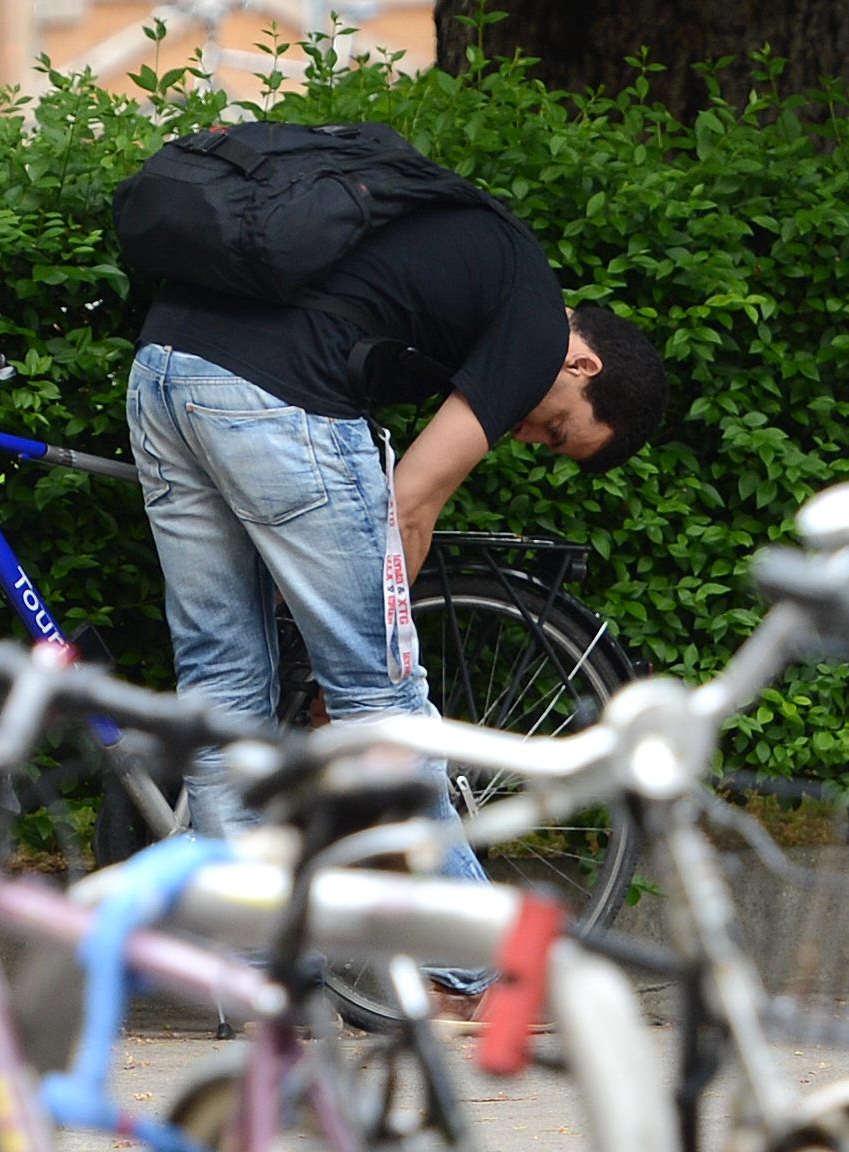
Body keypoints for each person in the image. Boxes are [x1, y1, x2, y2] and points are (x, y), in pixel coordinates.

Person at [124, 191, 668, 845]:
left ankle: (254, 948)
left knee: (220, 683)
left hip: (162, 366)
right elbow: (410, 506)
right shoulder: (534, 332)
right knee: (380, 708)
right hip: (270, 389)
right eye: (555, 429)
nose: (528, 438)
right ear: (583, 364)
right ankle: (461, 952)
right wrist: (351, 669)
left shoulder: (485, 274)